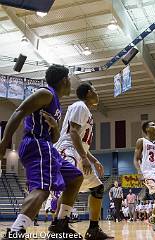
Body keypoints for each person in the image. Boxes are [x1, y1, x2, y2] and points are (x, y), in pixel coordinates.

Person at [0, 65, 84, 239]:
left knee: (75, 177)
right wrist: (4, 142)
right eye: (70, 80)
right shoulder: (46, 93)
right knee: (42, 189)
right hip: (36, 143)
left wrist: (55, 126)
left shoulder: (56, 103)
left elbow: (54, 139)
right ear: (64, 80)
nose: (71, 84)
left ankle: (60, 224)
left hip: (47, 146)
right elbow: (19, 111)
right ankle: (15, 232)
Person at [53, 82, 112, 240]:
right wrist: (85, 158)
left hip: (78, 151)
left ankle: (93, 229)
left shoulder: (85, 110)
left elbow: (81, 140)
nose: (97, 93)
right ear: (87, 93)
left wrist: (93, 159)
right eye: (95, 90)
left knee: (97, 189)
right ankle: (58, 225)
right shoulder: (80, 106)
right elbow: (73, 133)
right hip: (68, 149)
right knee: (70, 184)